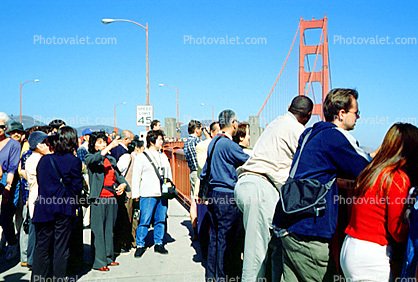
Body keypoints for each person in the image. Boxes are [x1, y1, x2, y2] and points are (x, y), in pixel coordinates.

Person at [280, 88, 372, 281]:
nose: (358, 117)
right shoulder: (333, 137)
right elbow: (365, 170)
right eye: (356, 112)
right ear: (341, 114)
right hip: (309, 229)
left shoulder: (311, 133)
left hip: (287, 222)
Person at [234, 96, 313, 282]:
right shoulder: (299, 131)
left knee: (274, 247)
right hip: (261, 189)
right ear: (309, 115)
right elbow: (308, 164)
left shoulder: (276, 123)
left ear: (289, 108)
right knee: (256, 255)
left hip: (247, 183)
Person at [340, 123, 418, 281]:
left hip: (350, 247)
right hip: (371, 255)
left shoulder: (372, 171)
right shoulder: (397, 179)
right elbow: (396, 231)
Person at [200, 110, 250, 281]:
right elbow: (249, 161)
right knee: (226, 239)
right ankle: (223, 276)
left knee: (215, 237)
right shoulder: (229, 145)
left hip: (214, 194)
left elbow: (204, 172)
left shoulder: (214, 142)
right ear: (234, 123)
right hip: (227, 196)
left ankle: (212, 276)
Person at [31, 127, 83, 280]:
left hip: (43, 207)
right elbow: (77, 187)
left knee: (42, 247)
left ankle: (38, 278)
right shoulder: (74, 161)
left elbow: (41, 183)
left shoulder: (44, 160)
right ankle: (59, 278)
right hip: (63, 208)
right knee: (61, 247)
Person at [85, 131, 128, 271]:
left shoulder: (111, 160)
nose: (103, 145)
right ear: (94, 145)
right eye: (99, 143)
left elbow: (118, 175)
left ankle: (108, 257)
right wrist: (108, 148)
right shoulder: (90, 157)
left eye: (104, 142)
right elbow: (92, 161)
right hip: (98, 198)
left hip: (111, 198)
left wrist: (123, 184)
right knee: (98, 230)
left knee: (109, 229)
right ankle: (99, 261)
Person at [132, 130, 173, 257]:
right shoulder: (141, 157)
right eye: (160, 139)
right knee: (144, 219)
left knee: (160, 219)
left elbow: (168, 174)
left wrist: (170, 187)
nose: (162, 142)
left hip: (162, 193)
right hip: (148, 193)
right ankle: (140, 244)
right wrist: (136, 194)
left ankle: (158, 243)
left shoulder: (163, 156)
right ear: (151, 141)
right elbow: (136, 176)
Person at [24, 131, 53, 269]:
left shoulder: (37, 158)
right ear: (37, 145)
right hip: (38, 197)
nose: (48, 145)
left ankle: (33, 261)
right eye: (45, 142)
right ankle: (34, 262)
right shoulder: (36, 159)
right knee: (38, 234)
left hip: (37, 197)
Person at [195, 122, 220, 257]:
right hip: (205, 190)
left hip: (219, 190)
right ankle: (204, 251)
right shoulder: (202, 146)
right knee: (204, 222)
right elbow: (201, 164)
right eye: (218, 131)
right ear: (211, 132)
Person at [0, 112, 21, 260]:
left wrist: (8, 186)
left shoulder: (13, 144)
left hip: (8, 179)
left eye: (1, 126)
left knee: (6, 217)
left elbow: (13, 167)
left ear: (6, 127)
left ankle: (12, 245)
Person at [184, 120, 209, 240]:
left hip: (191, 173)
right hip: (199, 173)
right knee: (202, 201)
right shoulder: (198, 142)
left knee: (193, 202)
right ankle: (203, 230)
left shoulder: (186, 142)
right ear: (197, 129)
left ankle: (194, 230)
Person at [125, 139, 145, 248]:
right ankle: (130, 241)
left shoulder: (134, 158)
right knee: (132, 218)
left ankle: (133, 240)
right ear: (137, 148)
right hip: (131, 193)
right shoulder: (130, 158)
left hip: (133, 193)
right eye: (143, 149)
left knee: (134, 217)